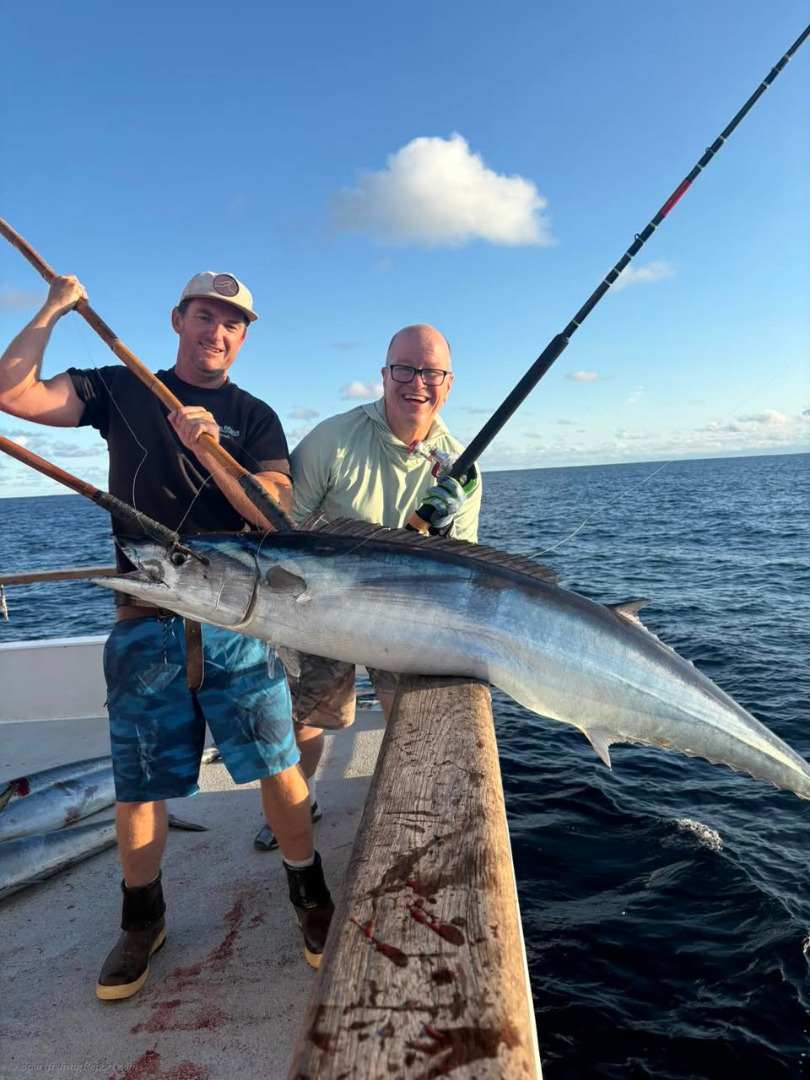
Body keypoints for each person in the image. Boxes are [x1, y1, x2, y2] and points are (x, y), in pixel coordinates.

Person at [0, 270, 333, 998]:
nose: (218, 332)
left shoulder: (253, 415)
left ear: (243, 338)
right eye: (205, 316)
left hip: (237, 624)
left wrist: (214, 449)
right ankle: (140, 921)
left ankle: (310, 895)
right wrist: (53, 309)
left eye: (233, 323)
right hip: (145, 623)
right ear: (178, 319)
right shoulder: (121, 388)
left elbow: (276, 514)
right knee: (139, 785)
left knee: (280, 767)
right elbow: (13, 393)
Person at [253, 323, 482, 851]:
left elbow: (463, 569)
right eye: (404, 369)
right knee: (305, 716)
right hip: (320, 607)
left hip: (405, 613)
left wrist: (445, 528)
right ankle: (302, 797)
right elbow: (281, 529)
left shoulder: (462, 468)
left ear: (448, 384)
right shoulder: (332, 439)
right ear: (383, 375)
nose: (417, 383)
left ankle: (408, 806)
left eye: (431, 373)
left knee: (412, 717)